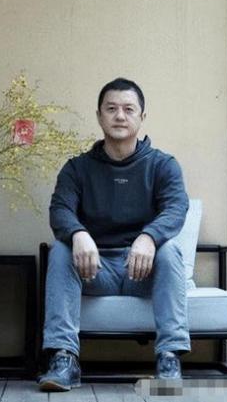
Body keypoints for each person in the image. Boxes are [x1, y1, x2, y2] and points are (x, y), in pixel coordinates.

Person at [38, 78, 190, 391]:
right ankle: (64, 358)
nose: (120, 116)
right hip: (95, 270)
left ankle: (169, 358)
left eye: (128, 109)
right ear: (99, 116)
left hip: (143, 270)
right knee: (61, 249)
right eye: (111, 109)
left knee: (169, 250)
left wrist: (148, 238)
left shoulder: (163, 165)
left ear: (142, 117)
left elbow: (176, 209)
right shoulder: (77, 168)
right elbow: (60, 210)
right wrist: (78, 233)